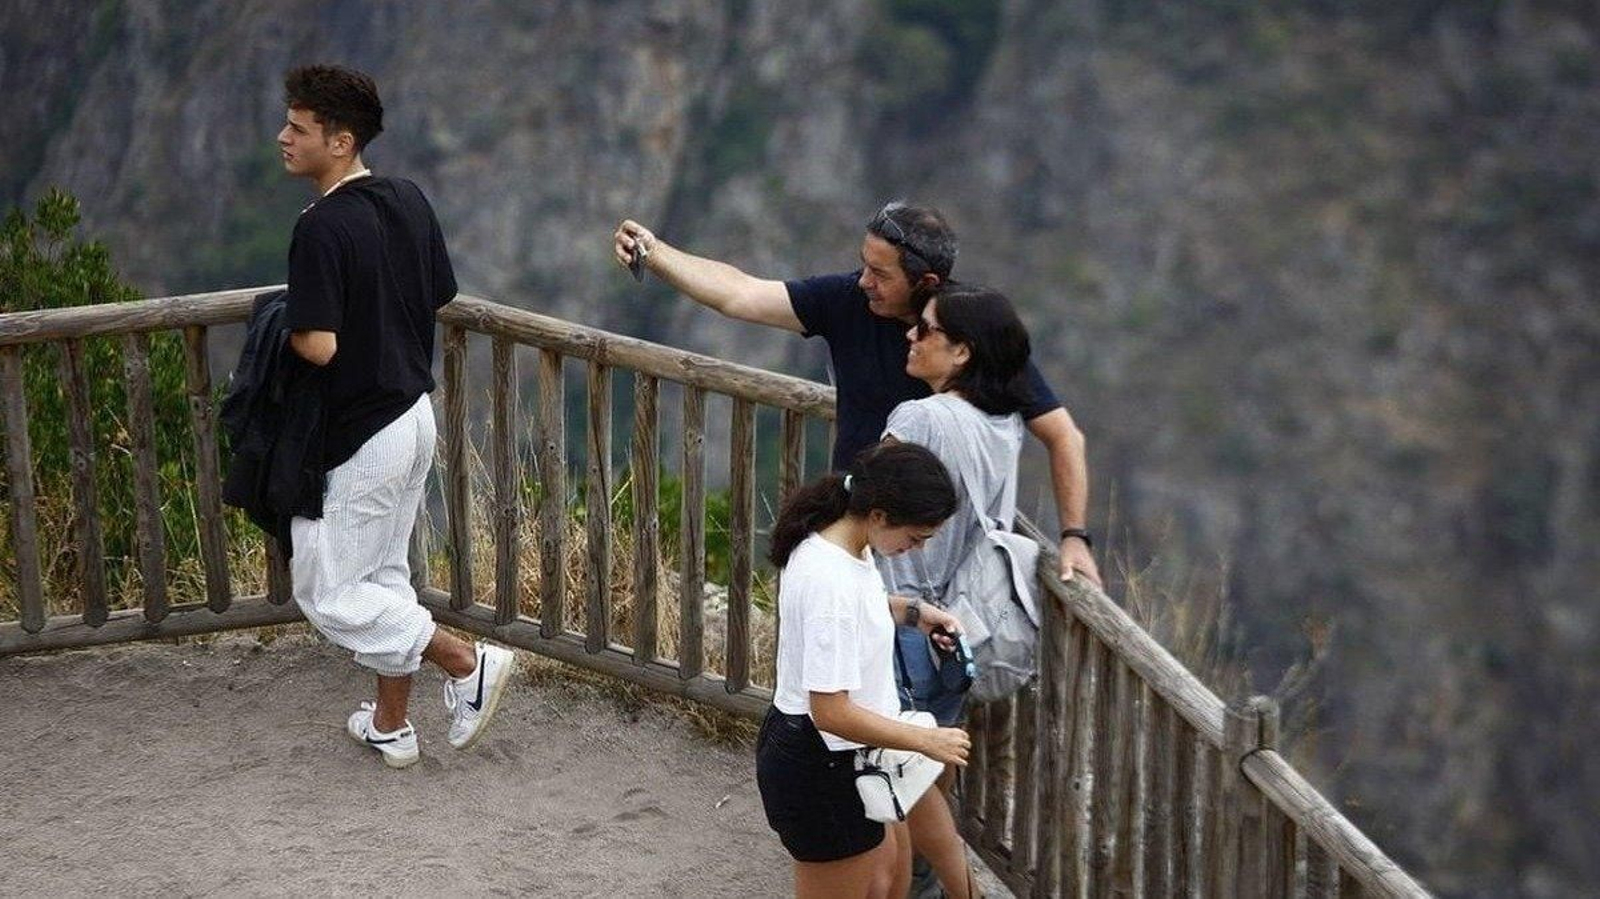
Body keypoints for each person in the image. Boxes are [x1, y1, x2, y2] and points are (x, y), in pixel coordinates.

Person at [611, 202, 1100, 586]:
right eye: (864, 265)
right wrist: (656, 253)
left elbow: (1063, 436)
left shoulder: (968, 333)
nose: (865, 281)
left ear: (927, 283)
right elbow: (740, 293)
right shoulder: (849, 300)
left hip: (935, 558)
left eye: (881, 274)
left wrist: (1074, 536)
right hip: (859, 533)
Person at [278, 64, 512, 768]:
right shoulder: (407, 198)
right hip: (412, 414)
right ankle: (391, 724)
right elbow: (438, 292)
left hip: (360, 430)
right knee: (382, 577)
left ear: (341, 141)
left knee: (325, 590)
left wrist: (280, 331)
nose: (283, 137)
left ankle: (465, 662)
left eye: (299, 128)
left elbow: (319, 345)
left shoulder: (320, 227)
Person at [758, 442, 972, 898]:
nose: (915, 550)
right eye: (915, 537)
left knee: (890, 880)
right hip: (821, 765)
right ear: (879, 515)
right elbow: (829, 712)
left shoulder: (848, 541)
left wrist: (912, 612)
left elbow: (857, 606)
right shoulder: (830, 580)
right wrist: (926, 740)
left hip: (849, 757)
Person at [881, 282, 1034, 897]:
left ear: (963, 351)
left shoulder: (920, 418)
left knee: (890, 782)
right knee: (926, 773)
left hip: (900, 618)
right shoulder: (1006, 425)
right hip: (957, 629)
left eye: (926, 329)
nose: (911, 335)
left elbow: (863, 501)